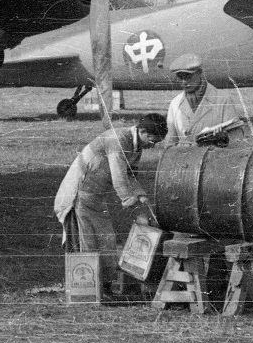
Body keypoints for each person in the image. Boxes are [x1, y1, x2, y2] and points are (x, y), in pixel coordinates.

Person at [53, 113, 168, 300]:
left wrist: (141, 196)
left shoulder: (136, 146)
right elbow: (119, 178)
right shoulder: (118, 140)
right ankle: (85, 293)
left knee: (106, 242)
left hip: (96, 198)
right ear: (142, 131)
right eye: (152, 140)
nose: (152, 145)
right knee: (86, 243)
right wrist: (131, 204)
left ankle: (104, 290)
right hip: (77, 196)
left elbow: (130, 175)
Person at [162, 53, 246, 147]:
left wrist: (223, 137)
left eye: (188, 77)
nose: (184, 82)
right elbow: (170, 141)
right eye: (180, 78)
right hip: (183, 157)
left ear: (199, 73)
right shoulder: (175, 103)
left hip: (212, 157)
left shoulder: (222, 99)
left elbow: (238, 136)